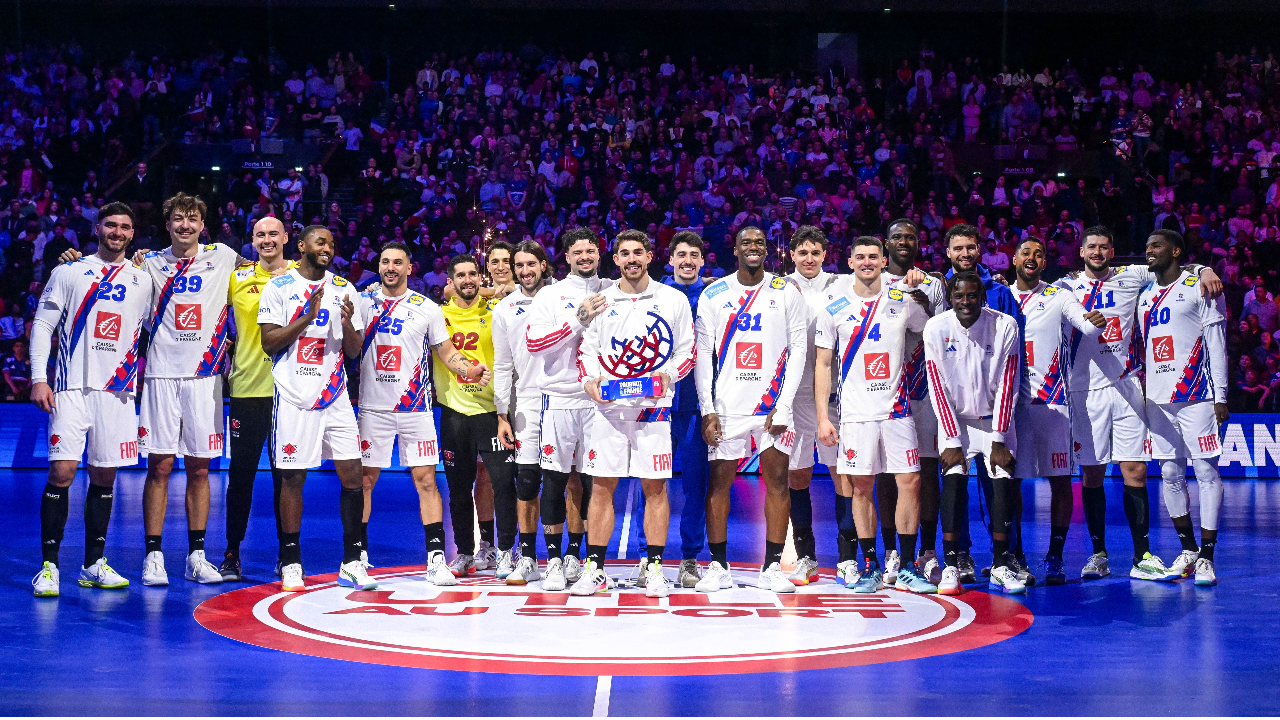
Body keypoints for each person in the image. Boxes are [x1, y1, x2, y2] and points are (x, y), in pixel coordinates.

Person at [1055, 226, 1220, 582]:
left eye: (1104, 247)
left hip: (1127, 386)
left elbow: (1174, 268)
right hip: (1085, 392)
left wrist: (1203, 268)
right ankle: (1098, 554)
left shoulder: (1132, 277)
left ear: (1112, 251)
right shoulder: (1065, 287)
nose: (1097, 252)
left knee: (1137, 471)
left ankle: (1141, 554)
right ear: (1081, 252)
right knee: (1093, 472)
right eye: (1091, 247)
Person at [29, 203, 152, 597]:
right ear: (98, 227)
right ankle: (49, 566)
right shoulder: (69, 271)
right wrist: (37, 378)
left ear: (133, 235)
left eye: (125, 227)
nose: (117, 232)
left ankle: (93, 564)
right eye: (111, 225)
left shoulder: (143, 279)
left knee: (104, 476)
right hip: (70, 388)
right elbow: (42, 325)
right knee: (62, 473)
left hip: (117, 393)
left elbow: (162, 325)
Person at [572, 230, 695, 597]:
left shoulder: (672, 299)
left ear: (649, 256)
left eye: (637, 253)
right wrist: (590, 380)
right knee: (601, 488)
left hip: (653, 410)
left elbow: (686, 351)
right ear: (616, 260)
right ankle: (595, 569)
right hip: (608, 410)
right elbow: (586, 350)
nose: (631, 259)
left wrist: (667, 375)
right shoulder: (600, 301)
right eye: (624, 253)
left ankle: (654, 568)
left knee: (655, 488)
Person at [814, 236, 937, 594]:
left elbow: (932, 329)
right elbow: (823, 364)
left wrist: (924, 287)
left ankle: (909, 564)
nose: (867, 262)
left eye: (873, 257)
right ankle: (870, 565)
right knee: (861, 487)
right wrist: (824, 417)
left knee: (910, 482)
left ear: (884, 261)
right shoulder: (834, 307)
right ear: (849, 263)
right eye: (860, 257)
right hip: (854, 414)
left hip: (898, 410)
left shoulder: (902, 300)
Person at [359, 242, 485, 585]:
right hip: (373, 409)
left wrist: (468, 369)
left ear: (409, 268)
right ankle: (358, 555)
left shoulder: (426, 308)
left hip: (415, 408)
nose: (391, 267)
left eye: (398, 262)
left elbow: (446, 351)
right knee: (365, 482)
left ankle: (434, 558)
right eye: (385, 261)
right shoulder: (362, 303)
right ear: (379, 266)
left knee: (427, 481)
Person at [693, 226, 807, 594]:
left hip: (772, 406)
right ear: (736, 249)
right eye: (747, 243)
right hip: (728, 406)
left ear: (768, 250)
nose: (753, 248)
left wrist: (785, 405)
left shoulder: (786, 290)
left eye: (759, 242)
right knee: (719, 484)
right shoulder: (714, 293)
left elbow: (799, 351)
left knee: (777, 481)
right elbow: (702, 360)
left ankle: (772, 567)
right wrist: (707, 409)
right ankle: (718, 565)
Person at [258, 225, 372, 592]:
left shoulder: (344, 288)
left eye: (332, 243)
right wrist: (307, 316)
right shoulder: (278, 287)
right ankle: (291, 561)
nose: (328, 248)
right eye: (321, 242)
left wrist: (347, 322)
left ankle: (353, 562)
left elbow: (354, 350)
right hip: (294, 396)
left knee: (353, 476)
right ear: (303, 245)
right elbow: (268, 343)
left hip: (335, 394)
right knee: (293, 478)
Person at [135, 193, 239, 586]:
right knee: (159, 466)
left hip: (206, 376)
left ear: (202, 224)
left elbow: (264, 272)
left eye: (192, 219)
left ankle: (196, 556)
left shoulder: (224, 257)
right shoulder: (148, 263)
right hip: (161, 374)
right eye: (178, 219)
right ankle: (153, 556)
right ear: (167, 224)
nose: (185, 226)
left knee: (200, 467)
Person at [1008, 237, 1104, 585]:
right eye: (1025, 253)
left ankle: (1054, 557)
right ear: (1014, 258)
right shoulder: (1001, 297)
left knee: (1061, 482)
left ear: (1044, 261)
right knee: (1011, 483)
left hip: (1053, 404)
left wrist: (1092, 321)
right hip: (1013, 407)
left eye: (1039, 253)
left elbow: (1083, 322)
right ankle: (1014, 556)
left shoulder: (1059, 295)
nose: (1031, 258)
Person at [924, 273, 1023, 595]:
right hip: (956, 422)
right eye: (959, 296)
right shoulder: (936, 327)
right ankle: (951, 566)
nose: (965, 302)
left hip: (996, 421)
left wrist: (998, 439)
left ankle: (1000, 565)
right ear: (950, 297)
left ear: (982, 295)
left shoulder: (1005, 324)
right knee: (952, 489)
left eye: (972, 295)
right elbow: (937, 386)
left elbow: (1009, 384)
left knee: (1002, 490)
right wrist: (951, 441)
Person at [1139, 230, 1228, 587]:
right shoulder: (1144, 295)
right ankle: (1188, 549)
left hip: (1197, 395)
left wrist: (1221, 396)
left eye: (1156, 246)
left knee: (1206, 473)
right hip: (1157, 401)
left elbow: (1217, 343)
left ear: (1176, 251)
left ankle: (1208, 554)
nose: (1149, 251)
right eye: (1147, 246)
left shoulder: (1200, 287)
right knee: (1170, 475)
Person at [524, 227, 610, 591]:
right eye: (579, 252)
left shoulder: (613, 289)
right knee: (555, 480)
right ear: (567, 257)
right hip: (558, 398)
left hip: (601, 400)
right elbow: (534, 343)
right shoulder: (551, 294)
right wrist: (579, 318)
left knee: (594, 482)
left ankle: (583, 558)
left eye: (591, 250)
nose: (586, 256)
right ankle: (555, 561)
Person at [218, 216, 295, 581]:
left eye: (273, 234)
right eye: (260, 235)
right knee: (241, 476)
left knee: (287, 479)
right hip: (247, 389)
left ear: (285, 237)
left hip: (290, 392)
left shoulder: (301, 275)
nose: (267, 240)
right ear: (252, 240)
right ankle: (232, 552)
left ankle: (287, 553)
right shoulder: (236, 278)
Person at [433, 255, 516, 577]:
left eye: (472, 275)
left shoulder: (498, 312)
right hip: (455, 413)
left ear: (480, 280)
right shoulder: (438, 316)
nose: (467, 280)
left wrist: (496, 291)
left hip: (492, 412)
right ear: (450, 282)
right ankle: (466, 552)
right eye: (460, 276)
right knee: (458, 488)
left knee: (503, 484)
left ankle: (505, 551)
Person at [879, 219, 948, 586]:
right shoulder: (873, 280)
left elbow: (944, 328)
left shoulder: (934, 284)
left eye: (910, 237)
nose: (904, 242)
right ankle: (891, 550)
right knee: (889, 470)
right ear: (885, 243)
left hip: (924, 388)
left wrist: (924, 302)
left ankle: (928, 551)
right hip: (886, 387)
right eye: (897, 237)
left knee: (926, 469)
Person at [784, 225, 851, 586]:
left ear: (826, 254)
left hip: (835, 394)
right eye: (803, 253)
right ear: (792, 256)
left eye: (816, 252)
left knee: (842, 473)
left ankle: (846, 558)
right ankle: (806, 556)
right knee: (799, 473)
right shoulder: (779, 288)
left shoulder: (842, 285)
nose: (809, 259)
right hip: (795, 396)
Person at [492, 240, 558, 585]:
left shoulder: (565, 295)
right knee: (528, 482)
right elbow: (502, 365)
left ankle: (568, 558)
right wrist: (502, 413)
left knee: (569, 482)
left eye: (531, 264)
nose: (525, 271)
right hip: (527, 403)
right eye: (519, 266)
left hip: (567, 398)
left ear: (544, 265)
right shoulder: (504, 308)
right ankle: (529, 557)